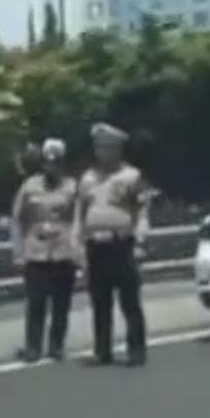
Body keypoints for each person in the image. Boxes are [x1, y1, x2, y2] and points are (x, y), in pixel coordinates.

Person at [76, 122, 152, 367]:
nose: (103, 152)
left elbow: (142, 210)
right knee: (100, 301)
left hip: (121, 243)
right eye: (99, 148)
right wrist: (77, 246)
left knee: (129, 301)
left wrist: (141, 239)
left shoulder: (131, 176)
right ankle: (102, 349)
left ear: (118, 149)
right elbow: (80, 214)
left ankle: (136, 349)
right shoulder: (88, 178)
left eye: (108, 147)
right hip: (95, 246)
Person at [11, 138, 80, 362]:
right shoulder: (30, 186)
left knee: (61, 303)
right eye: (49, 162)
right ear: (43, 164)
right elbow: (17, 219)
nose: (53, 166)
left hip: (63, 251)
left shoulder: (72, 187)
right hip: (36, 251)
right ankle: (33, 347)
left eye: (57, 162)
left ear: (63, 163)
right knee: (36, 303)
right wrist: (18, 250)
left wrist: (78, 250)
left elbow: (79, 219)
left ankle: (56, 345)